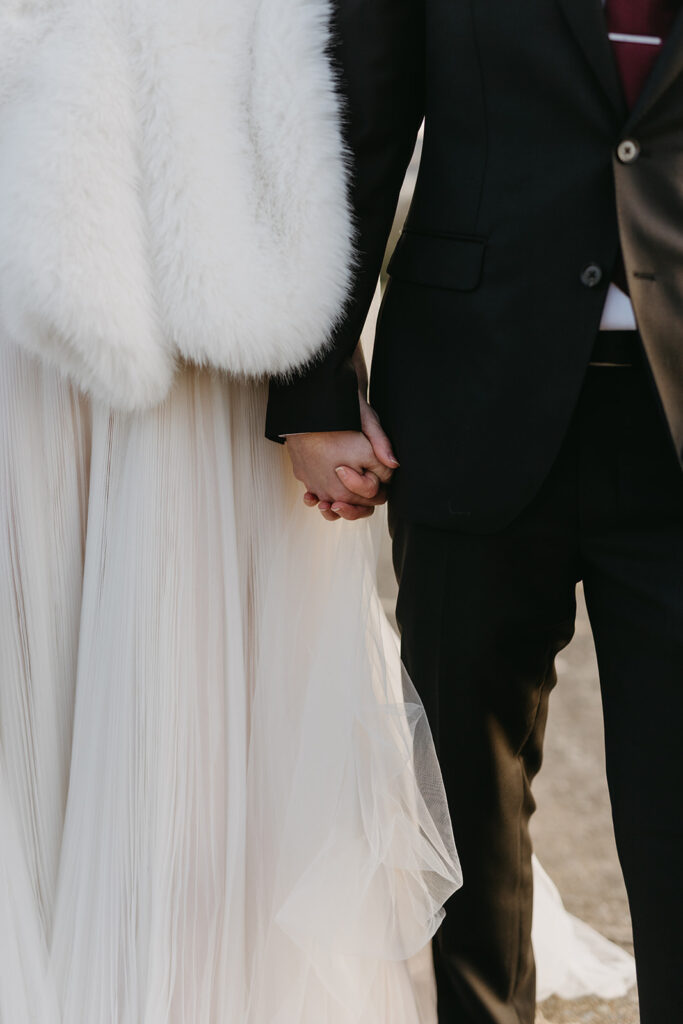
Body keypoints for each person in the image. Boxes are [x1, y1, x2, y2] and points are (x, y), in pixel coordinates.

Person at [0, 2, 460, 1021]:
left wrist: (319, 385)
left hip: (210, 305)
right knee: (38, 648)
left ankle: (179, 977)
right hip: (29, 269)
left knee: (184, 653)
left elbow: (355, 86)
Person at [267, 2, 683, 1022]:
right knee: (461, 819)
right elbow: (354, 124)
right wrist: (314, 390)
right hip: (467, 394)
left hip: (670, 422)